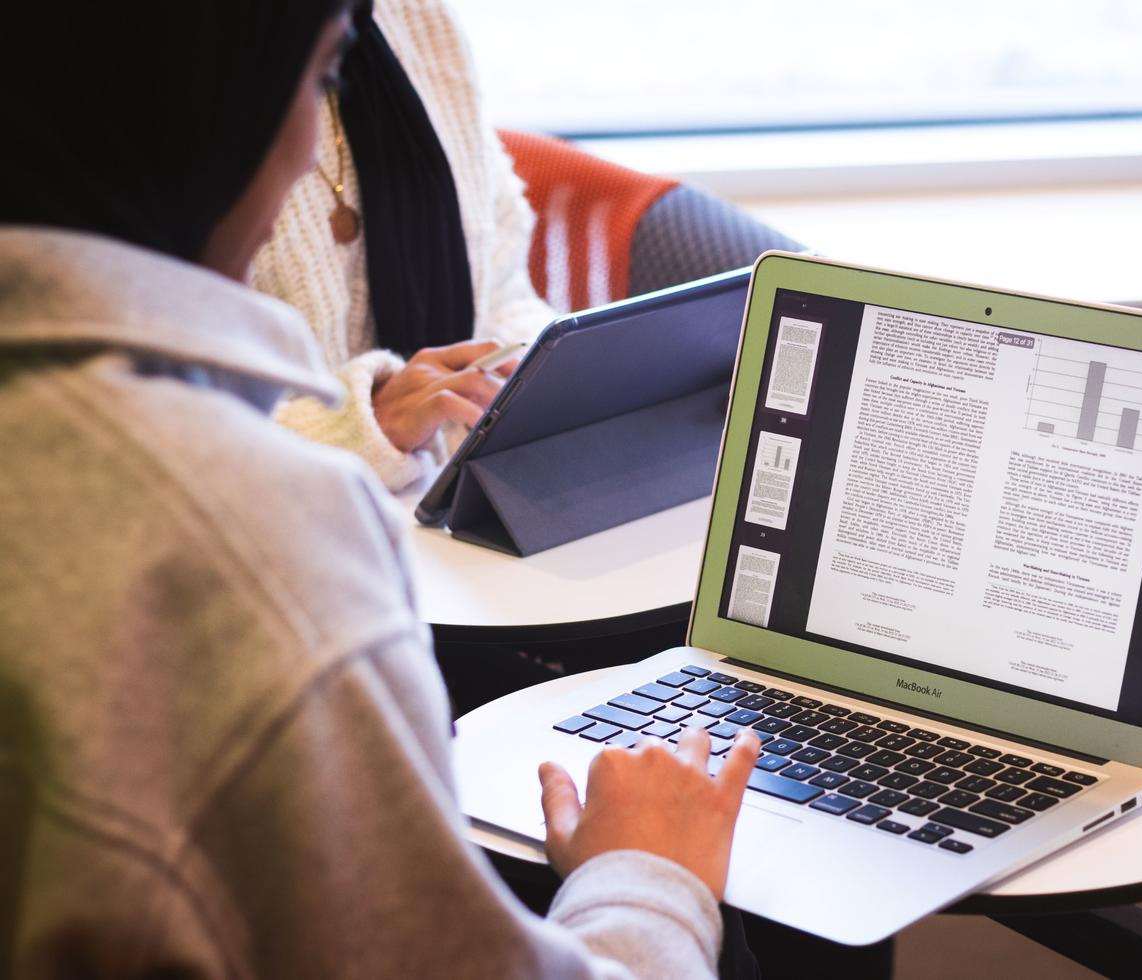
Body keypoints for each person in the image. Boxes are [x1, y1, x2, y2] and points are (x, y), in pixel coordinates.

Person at [0, 3, 760, 977]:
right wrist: (647, 876)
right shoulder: (238, 537)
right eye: (320, 80)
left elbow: (503, 285)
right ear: (197, 101)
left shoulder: (420, 27)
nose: (321, 129)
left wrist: (525, 380)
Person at [251, 0, 556, 493]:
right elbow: (157, 431)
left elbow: (499, 297)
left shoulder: (418, 17)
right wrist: (362, 427)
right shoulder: (176, 60)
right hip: (297, 516)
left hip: (452, 488)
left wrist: (569, 378)